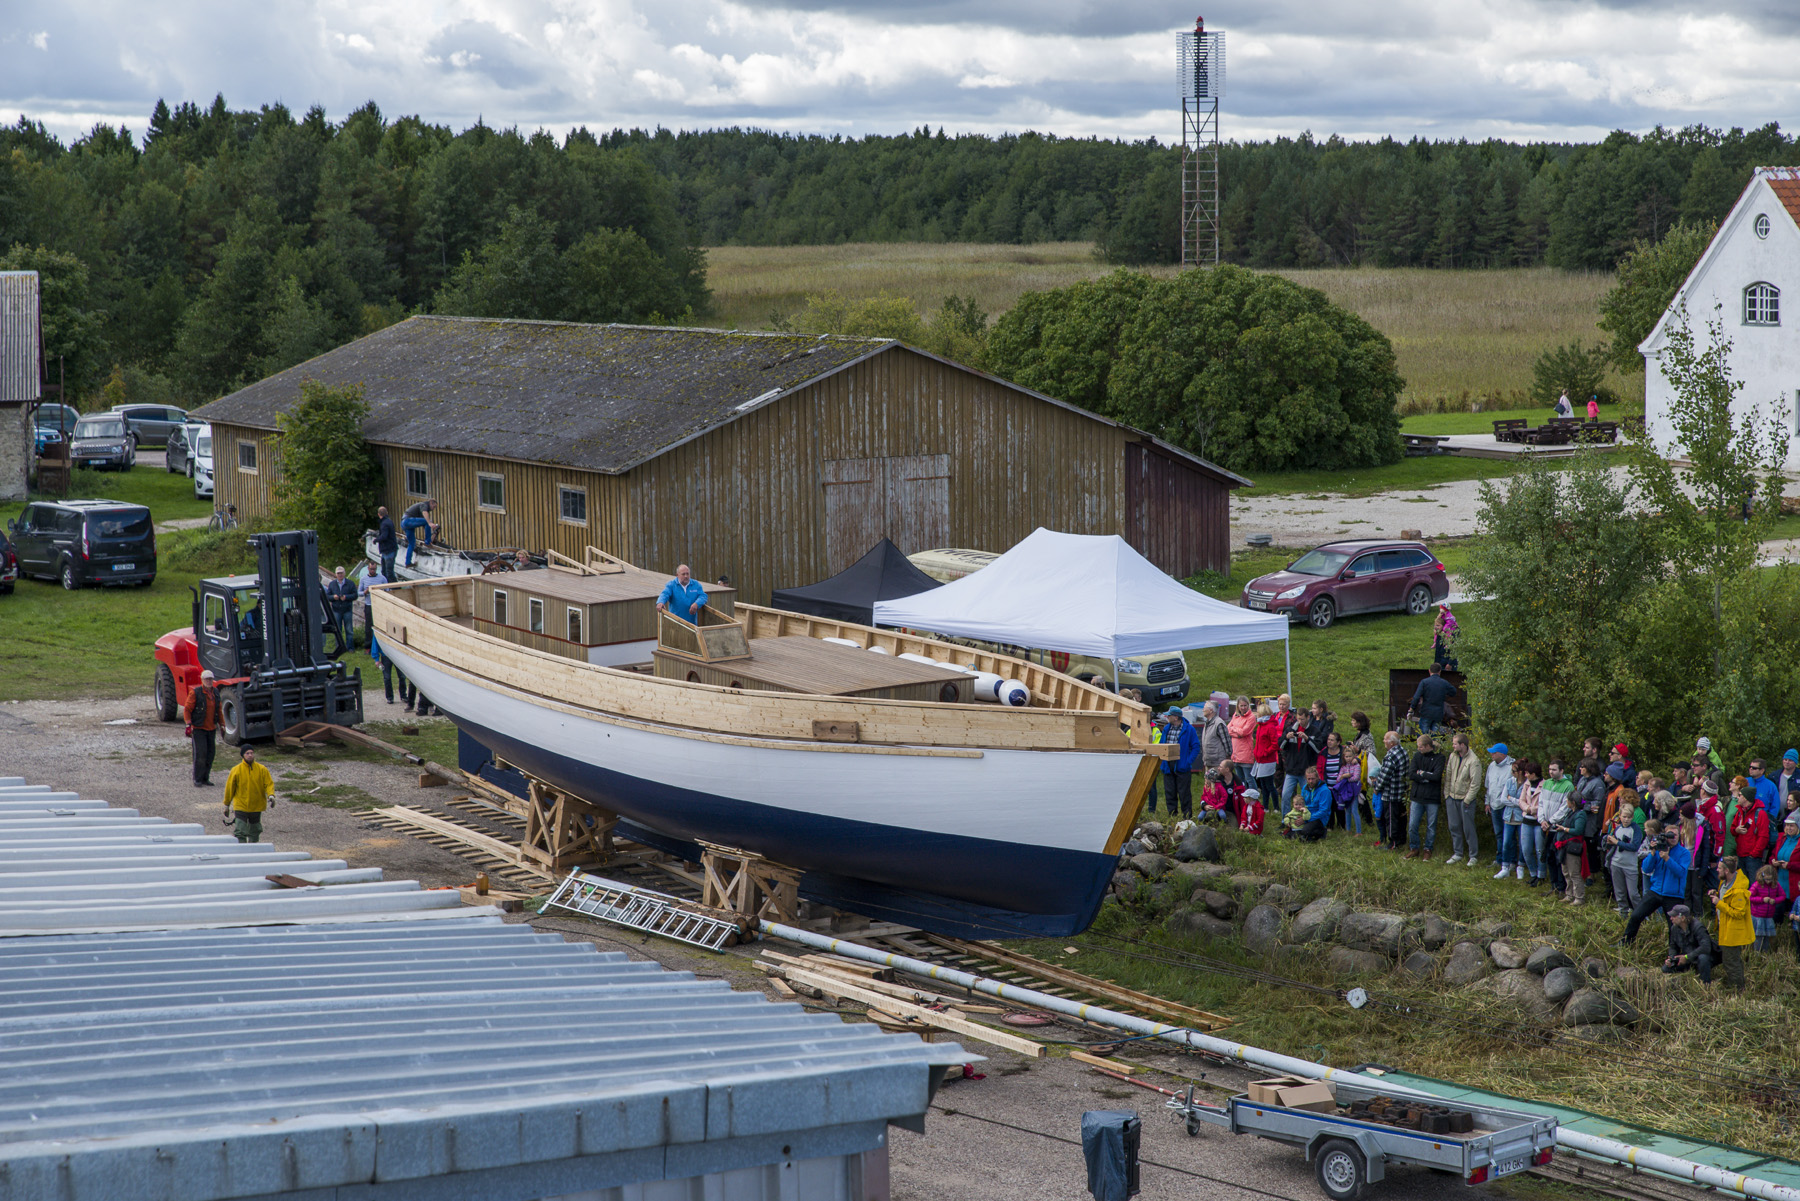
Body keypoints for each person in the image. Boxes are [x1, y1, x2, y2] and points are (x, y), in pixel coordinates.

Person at [1619, 821, 1693, 945]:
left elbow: (1680, 872)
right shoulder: (1659, 849)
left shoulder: (1684, 853)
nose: (1673, 837)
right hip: (1656, 891)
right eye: (1670, 835)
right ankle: (1626, 942)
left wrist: (1667, 859)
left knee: (1674, 926)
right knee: (1636, 915)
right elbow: (1646, 869)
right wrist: (1653, 853)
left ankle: (1674, 953)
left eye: (1676, 835)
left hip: (1673, 895)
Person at [1710, 855, 1751, 993]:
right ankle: (1737, 985)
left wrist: (1718, 903)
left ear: (1726, 870)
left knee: (1731, 961)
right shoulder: (1725, 882)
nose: (1717, 870)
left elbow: (1738, 913)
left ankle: (1737, 989)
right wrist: (1716, 894)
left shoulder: (1738, 890)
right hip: (1725, 928)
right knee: (1731, 960)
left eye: (1719, 868)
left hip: (1733, 932)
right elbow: (1726, 898)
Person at [1441, 732, 1482, 867]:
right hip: (1451, 797)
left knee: (1468, 828)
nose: (1453, 746)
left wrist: (1467, 800)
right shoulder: (1453, 756)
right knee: (1454, 826)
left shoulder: (1473, 760)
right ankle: (1458, 853)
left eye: (1455, 743)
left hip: (1465, 800)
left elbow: (1475, 783)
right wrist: (1447, 794)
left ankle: (1473, 855)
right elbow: (1448, 775)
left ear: (1462, 745)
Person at [222, 745, 276, 844]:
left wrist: (271, 795)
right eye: (247, 753)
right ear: (243, 755)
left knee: (255, 831)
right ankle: (242, 852)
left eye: (251, 753)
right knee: (240, 831)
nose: (250, 755)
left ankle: (253, 851)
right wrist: (226, 805)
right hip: (241, 806)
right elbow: (230, 788)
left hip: (256, 806)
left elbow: (268, 784)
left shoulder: (262, 769)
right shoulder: (236, 770)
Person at [1404, 733, 1446, 860]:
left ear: (1428, 746)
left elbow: (1436, 776)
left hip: (1432, 798)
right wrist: (1426, 777)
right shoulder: (1417, 756)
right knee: (1412, 825)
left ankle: (1428, 849)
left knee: (1431, 826)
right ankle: (1414, 848)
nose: (1418, 749)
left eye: (1420, 746)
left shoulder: (1439, 758)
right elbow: (1411, 774)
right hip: (1417, 796)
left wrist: (1422, 773)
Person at [1371, 730, 1410, 850]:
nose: (1383, 741)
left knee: (1391, 820)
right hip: (1401, 792)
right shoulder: (1403, 751)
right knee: (1401, 818)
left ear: (1392, 743)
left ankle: (1393, 844)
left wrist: (1376, 788)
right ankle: (1402, 839)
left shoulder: (1390, 756)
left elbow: (1385, 776)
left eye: (1385, 739)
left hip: (1391, 794)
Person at [1552, 787, 1592, 905]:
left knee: (1574, 872)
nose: (1566, 802)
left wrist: (1563, 828)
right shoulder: (1571, 812)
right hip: (1565, 846)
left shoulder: (1581, 815)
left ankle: (1579, 897)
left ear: (1572, 802)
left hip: (1573, 846)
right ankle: (1569, 894)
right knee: (1566, 871)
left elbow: (1578, 830)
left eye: (1567, 800)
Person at [1604, 802, 1645, 914]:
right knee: (1619, 892)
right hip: (1616, 863)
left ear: (1632, 817)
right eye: (1624, 817)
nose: (1626, 819)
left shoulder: (1635, 830)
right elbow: (1614, 845)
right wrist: (1610, 842)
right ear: (1620, 816)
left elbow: (1635, 846)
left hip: (1630, 866)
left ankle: (1640, 914)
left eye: (1629, 817)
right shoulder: (1617, 829)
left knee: (1633, 893)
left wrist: (1617, 842)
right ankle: (1623, 912)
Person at [1159, 706, 1199, 818]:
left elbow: (1196, 747)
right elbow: (1162, 745)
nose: (1167, 717)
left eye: (1169, 715)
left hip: (1182, 765)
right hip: (1168, 764)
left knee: (1184, 792)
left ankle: (1187, 815)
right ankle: (1172, 815)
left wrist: (1188, 761)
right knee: (1169, 791)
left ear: (1176, 717)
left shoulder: (1189, 729)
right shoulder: (1167, 728)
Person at [1662, 904, 1718, 984]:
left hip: (1701, 956)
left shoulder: (1698, 927)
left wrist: (1687, 957)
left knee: (1703, 958)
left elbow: (1706, 947)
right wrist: (1671, 958)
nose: (1671, 918)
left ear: (1682, 918)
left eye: (1674, 916)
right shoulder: (1674, 928)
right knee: (1665, 969)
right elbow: (1673, 946)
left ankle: (1706, 983)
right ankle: (1690, 972)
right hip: (1687, 957)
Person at [184, 669, 220, 787]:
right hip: (199, 728)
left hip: (211, 728)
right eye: (207, 679)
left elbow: (219, 710)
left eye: (210, 679)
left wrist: (223, 724)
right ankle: (197, 779)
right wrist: (188, 724)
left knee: (210, 754)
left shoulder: (216, 693)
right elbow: (187, 709)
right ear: (202, 680)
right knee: (200, 754)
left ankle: (205, 778)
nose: (209, 681)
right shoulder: (195, 693)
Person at [1407, 662, 1458, 736]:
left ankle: (1423, 746)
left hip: (1426, 713)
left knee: (1423, 736)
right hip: (1438, 714)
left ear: (1429, 671)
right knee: (1435, 736)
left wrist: (1411, 709)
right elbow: (1453, 692)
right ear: (1440, 671)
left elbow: (1416, 697)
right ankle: (1434, 746)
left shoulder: (1424, 682)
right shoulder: (1444, 683)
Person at [1278, 710, 1314, 809]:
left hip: (1305, 771)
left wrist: (1307, 739)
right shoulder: (1290, 729)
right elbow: (1280, 746)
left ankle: (1306, 818)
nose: (1300, 721)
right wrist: (1286, 738)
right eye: (1298, 719)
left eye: (1302, 719)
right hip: (1291, 770)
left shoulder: (1313, 730)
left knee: (1307, 797)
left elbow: (1317, 749)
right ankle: (1285, 819)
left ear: (1308, 718)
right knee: (1285, 796)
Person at [1517, 760, 1545, 885]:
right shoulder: (1527, 784)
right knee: (1526, 849)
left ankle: (1541, 875)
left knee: (1540, 850)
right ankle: (1533, 873)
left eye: (1528, 773)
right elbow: (1521, 800)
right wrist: (1527, 809)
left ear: (1534, 773)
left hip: (1538, 821)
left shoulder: (1545, 785)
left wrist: (1533, 810)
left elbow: (1545, 804)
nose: (1525, 775)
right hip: (1526, 820)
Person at [1750, 863, 1784, 953]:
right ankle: (1756, 953)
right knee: (1758, 937)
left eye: (1770, 879)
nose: (1768, 881)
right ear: (1762, 876)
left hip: (1768, 916)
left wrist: (1775, 900)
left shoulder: (1776, 885)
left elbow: (1782, 896)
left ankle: (1764, 953)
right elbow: (1749, 897)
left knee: (1767, 936)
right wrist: (1762, 899)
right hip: (1758, 916)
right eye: (1767, 879)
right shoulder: (1757, 885)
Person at [323, 565, 357, 655]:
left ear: (344, 573)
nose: (340, 575)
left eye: (341, 573)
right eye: (338, 573)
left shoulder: (350, 583)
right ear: (336, 574)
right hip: (336, 610)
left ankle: (350, 648)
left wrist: (346, 597)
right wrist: (333, 597)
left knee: (349, 630)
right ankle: (340, 648)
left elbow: (355, 595)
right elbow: (327, 596)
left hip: (347, 609)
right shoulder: (332, 584)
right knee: (338, 630)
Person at [1251, 700, 1281, 798]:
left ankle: (1276, 806)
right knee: (1263, 785)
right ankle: (1266, 806)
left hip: (1267, 759)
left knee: (1269, 785)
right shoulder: (1260, 725)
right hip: (1260, 759)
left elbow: (1275, 744)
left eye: (1258, 713)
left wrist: (1265, 752)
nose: (1257, 715)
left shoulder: (1270, 726)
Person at [1226, 696, 1256, 788]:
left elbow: (1244, 732)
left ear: (1248, 705)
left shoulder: (1251, 717)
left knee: (1249, 778)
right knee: (1239, 780)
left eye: (1245, 705)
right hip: (1236, 754)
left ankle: (1254, 798)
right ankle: (1242, 798)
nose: (1243, 708)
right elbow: (1228, 729)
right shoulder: (1236, 715)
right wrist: (1237, 733)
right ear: (1238, 706)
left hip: (1245, 753)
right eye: (1241, 706)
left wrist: (1234, 731)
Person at [1298, 766, 1332, 843]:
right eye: (1308, 779)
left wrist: (1307, 819)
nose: (1310, 781)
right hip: (1306, 815)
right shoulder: (1305, 788)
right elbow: (1301, 804)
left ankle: (1321, 832)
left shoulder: (1324, 791)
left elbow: (1323, 811)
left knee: (1305, 831)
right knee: (1293, 827)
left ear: (1318, 777)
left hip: (1319, 818)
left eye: (1313, 779)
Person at [400, 498, 439, 567]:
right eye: (434, 506)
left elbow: (425, 525)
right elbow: (425, 515)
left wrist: (431, 530)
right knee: (427, 522)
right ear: (430, 503)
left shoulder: (423, 510)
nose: (433, 509)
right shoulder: (424, 505)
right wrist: (430, 523)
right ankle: (427, 542)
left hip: (405, 524)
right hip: (408, 520)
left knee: (412, 543)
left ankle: (408, 563)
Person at [1198, 700, 1231, 779]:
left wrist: (1227, 760)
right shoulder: (1207, 723)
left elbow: (1227, 742)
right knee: (1209, 787)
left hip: (1218, 763)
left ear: (1211, 710)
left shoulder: (1219, 723)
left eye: (1204, 708)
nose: (1203, 710)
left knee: (1217, 786)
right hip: (1208, 761)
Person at [359, 558, 387, 642]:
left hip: (379, 605)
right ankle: (368, 645)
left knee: (381, 625)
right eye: (371, 569)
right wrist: (365, 592)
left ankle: (380, 644)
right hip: (369, 605)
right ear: (368, 569)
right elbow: (358, 593)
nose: (372, 571)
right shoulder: (363, 579)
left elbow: (388, 590)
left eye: (374, 569)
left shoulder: (382, 578)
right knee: (368, 626)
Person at [1748, 758, 1781, 828]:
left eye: (1754, 768)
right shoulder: (1745, 782)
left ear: (1762, 770)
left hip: (1762, 823)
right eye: (1750, 767)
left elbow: (1775, 807)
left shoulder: (1770, 786)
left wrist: (1768, 821)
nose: (1751, 769)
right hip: (1745, 821)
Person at [1431, 604, 1459, 671]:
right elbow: (1438, 652)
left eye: (1438, 625)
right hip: (1440, 663)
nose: (1436, 627)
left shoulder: (1451, 635)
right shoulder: (1439, 635)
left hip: (1448, 664)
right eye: (1435, 626)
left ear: (1443, 626)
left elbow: (1454, 651)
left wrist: (1450, 663)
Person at [375, 505, 397, 580]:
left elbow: (384, 536)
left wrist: (376, 540)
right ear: (386, 512)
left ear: (378, 514)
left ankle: (395, 588)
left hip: (388, 550)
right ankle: (388, 587)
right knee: (385, 571)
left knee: (388, 572)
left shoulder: (384, 524)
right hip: (388, 549)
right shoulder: (388, 521)